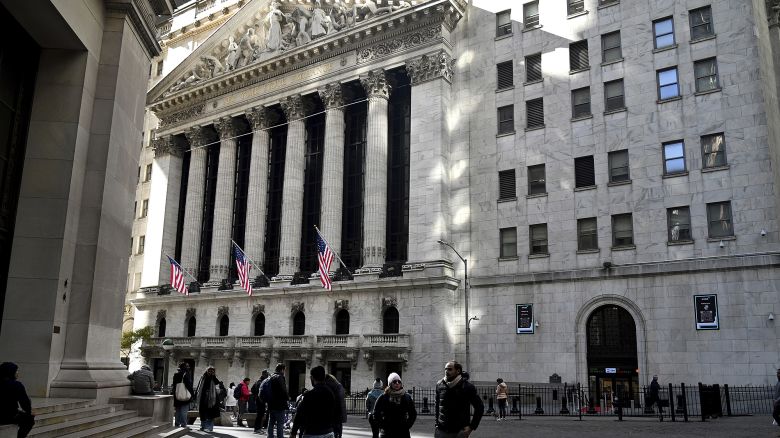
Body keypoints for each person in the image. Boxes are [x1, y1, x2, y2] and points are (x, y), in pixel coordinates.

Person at [434, 361, 483, 438]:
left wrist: (471, 427)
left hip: (460, 431)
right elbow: (437, 405)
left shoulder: (467, 387)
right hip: (441, 430)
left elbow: (479, 407)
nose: (447, 371)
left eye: (450, 369)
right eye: (445, 369)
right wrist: (436, 423)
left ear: (458, 371)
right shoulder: (439, 384)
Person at [290, 366, 337, 438]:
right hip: (329, 432)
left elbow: (299, 414)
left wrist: (293, 433)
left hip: (313, 433)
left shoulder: (310, 395)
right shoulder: (331, 393)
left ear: (312, 378)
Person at [372, 373, 417, 438]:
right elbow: (376, 414)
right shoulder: (383, 397)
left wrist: (407, 426)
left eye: (399, 381)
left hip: (403, 432)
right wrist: (383, 426)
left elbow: (413, 413)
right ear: (390, 383)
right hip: (387, 432)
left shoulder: (406, 397)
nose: (397, 383)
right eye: (394, 381)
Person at [0, 362, 34, 438]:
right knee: (29, 420)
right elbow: (25, 404)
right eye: (16, 371)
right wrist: (29, 411)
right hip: (8, 416)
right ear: (11, 372)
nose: (18, 373)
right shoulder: (16, 385)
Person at [196, 366, 223, 432]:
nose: (210, 372)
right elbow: (198, 386)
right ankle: (202, 426)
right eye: (209, 371)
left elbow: (217, 383)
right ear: (206, 371)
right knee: (202, 413)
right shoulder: (203, 377)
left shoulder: (213, 378)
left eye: (212, 371)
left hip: (212, 398)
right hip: (203, 397)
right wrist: (195, 396)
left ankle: (209, 427)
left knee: (211, 413)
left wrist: (213, 376)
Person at [267, 363, 289, 438]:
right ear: (282, 369)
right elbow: (283, 390)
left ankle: (270, 436)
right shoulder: (280, 377)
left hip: (271, 404)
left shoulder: (271, 377)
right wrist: (287, 398)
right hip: (279, 404)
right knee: (280, 423)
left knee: (271, 422)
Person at [171, 362, 194, 428]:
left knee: (178, 410)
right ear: (185, 367)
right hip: (184, 395)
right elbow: (189, 386)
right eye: (187, 366)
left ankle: (177, 423)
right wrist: (192, 394)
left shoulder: (176, 375)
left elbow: (174, 385)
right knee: (184, 410)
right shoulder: (186, 374)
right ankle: (184, 424)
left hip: (177, 394)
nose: (188, 367)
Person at [324, 374, 347, 438]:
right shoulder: (339, 386)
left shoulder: (326, 386)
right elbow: (342, 402)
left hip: (330, 414)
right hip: (338, 414)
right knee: (337, 431)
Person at [252, 369, 271, 434]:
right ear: (264, 375)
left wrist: (255, 396)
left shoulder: (257, 381)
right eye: (267, 375)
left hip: (258, 400)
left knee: (260, 415)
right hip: (260, 400)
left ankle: (258, 428)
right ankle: (257, 428)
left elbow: (252, 389)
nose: (267, 376)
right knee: (260, 415)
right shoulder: (261, 382)